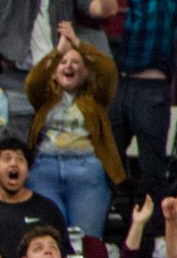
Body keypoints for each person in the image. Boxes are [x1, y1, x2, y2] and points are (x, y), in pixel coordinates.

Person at [24, 38, 121, 237]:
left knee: (84, 241)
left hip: (85, 171)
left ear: (86, 73)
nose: (69, 66)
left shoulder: (97, 99)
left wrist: (78, 43)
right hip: (44, 171)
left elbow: (108, 70)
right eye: (63, 62)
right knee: (48, 238)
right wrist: (57, 53)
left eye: (76, 62)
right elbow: (33, 81)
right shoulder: (44, 99)